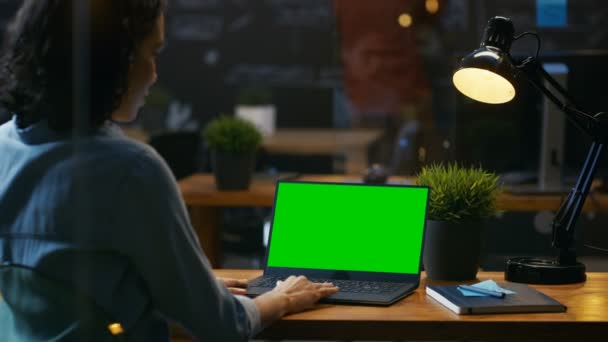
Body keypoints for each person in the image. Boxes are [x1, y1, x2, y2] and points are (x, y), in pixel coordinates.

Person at [0, 1, 338, 341]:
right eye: (152, 52)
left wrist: (179, 287)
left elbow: (66, 281)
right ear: (112, 59)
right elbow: (221, 325)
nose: (154, 72)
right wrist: (280, 299)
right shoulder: (132, 170)